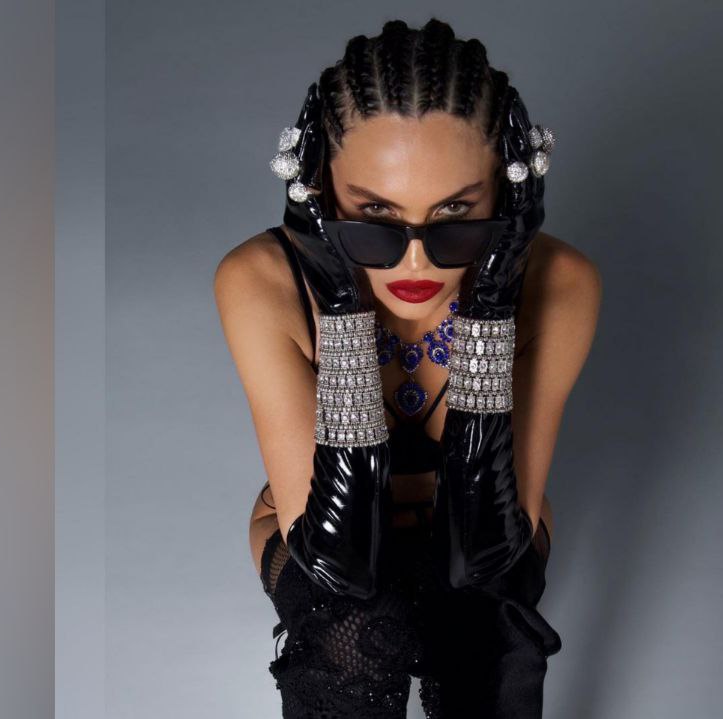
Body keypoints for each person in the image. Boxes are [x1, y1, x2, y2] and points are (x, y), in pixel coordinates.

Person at [215, 18, 600, 718]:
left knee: (488, 630)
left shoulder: (562, 282)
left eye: (457, 215)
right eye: (373, 218)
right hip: (322, 534)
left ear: (506, 196)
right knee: (350, 626)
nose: (415, 262)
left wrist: (490, 304)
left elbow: (483, 552)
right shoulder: (260, 280)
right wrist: (340, 304)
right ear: (319, 193)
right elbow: (338, 564)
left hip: (489, 526)